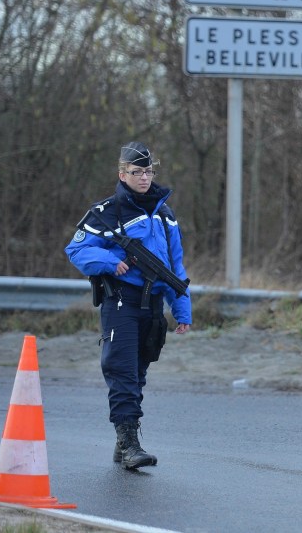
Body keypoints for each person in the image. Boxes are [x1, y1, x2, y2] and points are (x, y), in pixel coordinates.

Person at [65, 142, 192, 470]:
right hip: (121, 303)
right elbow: (76, 250)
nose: (144, 177)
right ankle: (131, 443)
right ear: (122, 174)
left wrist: (182, 311)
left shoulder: (165, 215)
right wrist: (109, 260)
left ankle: (123, 442)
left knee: (137, 374)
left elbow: (176, 268)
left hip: (153, 306)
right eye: (137, 172)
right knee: (121, 372)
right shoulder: (106, 213)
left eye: (149, 171)